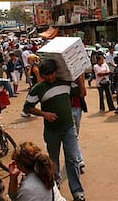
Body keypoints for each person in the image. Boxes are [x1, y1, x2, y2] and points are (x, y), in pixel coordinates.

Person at [23, 59, 86, 201]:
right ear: (42, 75)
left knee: (73, 160)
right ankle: (55, 184)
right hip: (52, 131)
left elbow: (81, 92)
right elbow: (27, 107)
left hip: (69, 128)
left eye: (52, 74)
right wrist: (44, 114)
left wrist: (79, 72)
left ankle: (77, 192)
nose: (50, 77)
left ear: (56, 72)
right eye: (47, 75)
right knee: (53, 161)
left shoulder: (65, 83)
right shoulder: (38, 89)